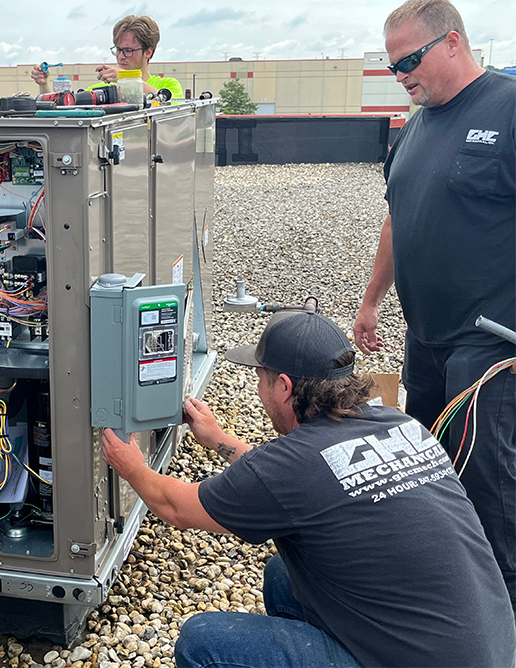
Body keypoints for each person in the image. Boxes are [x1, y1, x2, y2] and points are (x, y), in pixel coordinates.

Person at [102, 311, 516, 668]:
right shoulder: (400, 425)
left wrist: (132, 466)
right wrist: (221, 441)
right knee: (283, 575)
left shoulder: (292, 466)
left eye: (261, 379)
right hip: (487, 649)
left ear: (284, 386)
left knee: (203, 640)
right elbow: (311, 475)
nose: (259, 390)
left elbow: (175, 507)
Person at [353, 0, 516, 608]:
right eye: (393, 65)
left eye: (411, 61)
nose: (402, 76)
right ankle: (442, 582)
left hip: (491, 343)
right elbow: (400, 217)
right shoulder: (417, 124)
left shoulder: (507, 108)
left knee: (490, 482)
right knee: (424, 464)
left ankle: (499, 616)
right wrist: (372, 301)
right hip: (425, 336)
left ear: (452, 43)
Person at [31, 15, 184, 99]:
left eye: (128, 50)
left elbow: (173, 108)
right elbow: (58, 108)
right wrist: (43, 84)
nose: (121, 57)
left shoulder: (168, 85)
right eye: (118, 49)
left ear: (148, 52)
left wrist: (127, 79)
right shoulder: (103, 91)